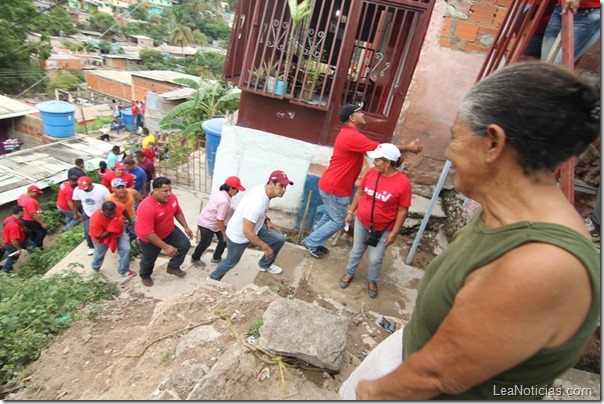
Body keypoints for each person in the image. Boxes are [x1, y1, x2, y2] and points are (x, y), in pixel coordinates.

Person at [339, 62, 600, 400]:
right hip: (410, 354)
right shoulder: (500, 208)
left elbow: (437, 375)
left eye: (455, 137)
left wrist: (369, 393)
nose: (448, 152)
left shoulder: (542, 265)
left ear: (493, 143)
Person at [302, 102, 422, 259]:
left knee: (331, 216)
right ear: (352, 117)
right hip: (336, 187)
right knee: (338, 220)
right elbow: (383, 150)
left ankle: (314, 242)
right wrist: (409, 148)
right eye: (360, 112)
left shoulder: (348, 134)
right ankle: (312, 242)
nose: (363, 114)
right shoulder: (351, 136)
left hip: (331, 184)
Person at [339, 144, 412, 298]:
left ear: (387, 162)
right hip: (362, 222)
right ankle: (349, 272)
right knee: (356, 250)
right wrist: (351, 211)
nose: (374, 163)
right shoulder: (371, 173)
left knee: (375, 258)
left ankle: (372, 280)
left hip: (384, 229)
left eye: (378, 160)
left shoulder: (403, 183)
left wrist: (395, 232)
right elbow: (359, 193)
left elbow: (402, 210)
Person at [208, 170, 292, 281]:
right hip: (238, 236)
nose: (284, 189)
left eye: (285, 186)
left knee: (279, 239)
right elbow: (247, 232)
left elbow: (260, 214)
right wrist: (265, 247)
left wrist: (267, 220)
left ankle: (264, 265)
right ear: (271, 184)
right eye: (281, 186)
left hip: (255, 227)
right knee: (230, 262)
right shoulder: (257, 203)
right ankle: (212, 279)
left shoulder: (263, 189)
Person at [135, 177, 194, 287]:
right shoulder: (146, 207)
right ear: (155, 190)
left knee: (185, 244)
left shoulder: (172, 198)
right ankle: (145, 275)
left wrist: (186, 227)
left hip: (169, 230)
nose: (169, 194)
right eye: (165, 191)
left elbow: (177, 212)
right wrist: (166, 247)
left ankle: (173, 267)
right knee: (149, 260)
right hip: (150, 238)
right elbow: (148, 233)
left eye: (170, 190)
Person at [191, 176, 246, 268]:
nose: (238, 192)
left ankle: (216, 257)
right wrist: (224, 233)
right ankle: (195, 258)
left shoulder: (223, 192)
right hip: (207, 223)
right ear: (230, 188)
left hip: (214, 222)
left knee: (225, 240)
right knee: (206, 242)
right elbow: (219, 219)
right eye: (237, 190)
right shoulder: (224, 200)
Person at [89, 200, 136, 277]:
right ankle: (95, 267)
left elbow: (124, 210)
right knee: (99, 254)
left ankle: (123, 271)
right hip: (102, 238)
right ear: (103, 211)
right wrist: (110, 230)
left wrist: (130, 220)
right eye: (109, 214)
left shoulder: (118, 205)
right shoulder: (95, 220)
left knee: (126, 249)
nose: (112, 216)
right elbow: (98, 236)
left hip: (118, 231)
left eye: (114, 213)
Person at [72, 176, 110, 256]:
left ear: (90, 184)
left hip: (101, 213)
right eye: (82, 188)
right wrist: (75, 213)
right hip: (87, 213)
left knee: (106, 229)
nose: (84, 189)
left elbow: (108, 201)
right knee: (87, 231)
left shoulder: (101, 189)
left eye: (86, 187)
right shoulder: (77, 190)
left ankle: (109, 242)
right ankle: (91, 247)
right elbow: (77, 202)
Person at [2, 206, 37, 273]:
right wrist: (19, 249)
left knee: (32, 246)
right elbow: (13, 240)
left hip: (21, 240)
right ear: (20, 212)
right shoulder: (14, 226)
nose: (25, 212)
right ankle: (6, 271)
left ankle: (35, 259)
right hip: (13, 244)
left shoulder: (8, 219)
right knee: (13, 258)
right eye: (24, 211)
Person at [17, 185, 48, 249]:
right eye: (36, 193)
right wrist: (42, 223)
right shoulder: (30, 201)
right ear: (31, 192)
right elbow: (33, 214)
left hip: (24, 219)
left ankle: (32, 246)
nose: (37, 195)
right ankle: (37, 247)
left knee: (33, 233)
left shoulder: (21, 197)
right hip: (31, 220)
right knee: (42, 232)